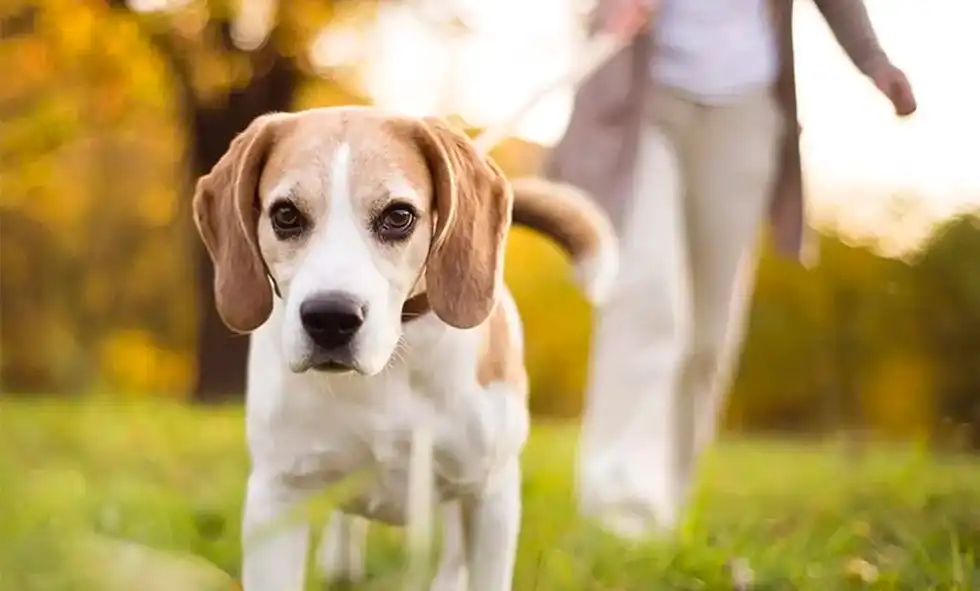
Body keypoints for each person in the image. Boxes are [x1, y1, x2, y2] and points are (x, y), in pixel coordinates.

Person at [543, 0, 917, 539]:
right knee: (647, 296)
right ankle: (617, 505)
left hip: (745, 108)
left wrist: (874, 60)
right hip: (643, 95)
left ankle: (663, 502)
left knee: (709, 332)